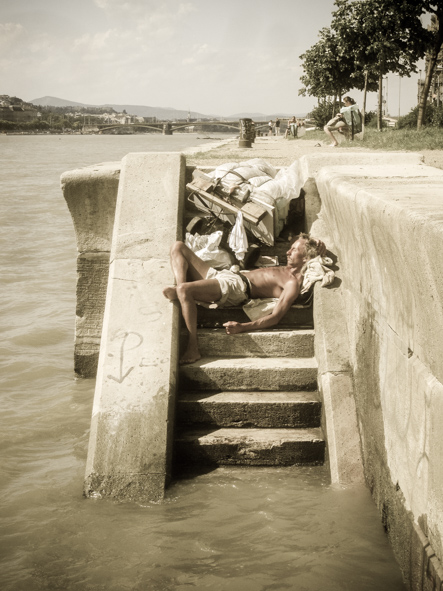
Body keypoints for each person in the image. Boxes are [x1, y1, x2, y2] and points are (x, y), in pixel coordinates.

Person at [163, 233, 326, 364]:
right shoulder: (286, 269)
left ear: (305, 258)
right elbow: (308, 244)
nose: (288, 252)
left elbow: (276, 317)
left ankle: (193, 347)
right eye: (290, 248)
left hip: (236, 287)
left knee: (185, 290)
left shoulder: (292, 283)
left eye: (294, 250)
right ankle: (180, 290)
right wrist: (315, 240)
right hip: (228, 275)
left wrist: (243, 327)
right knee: (178, 247)